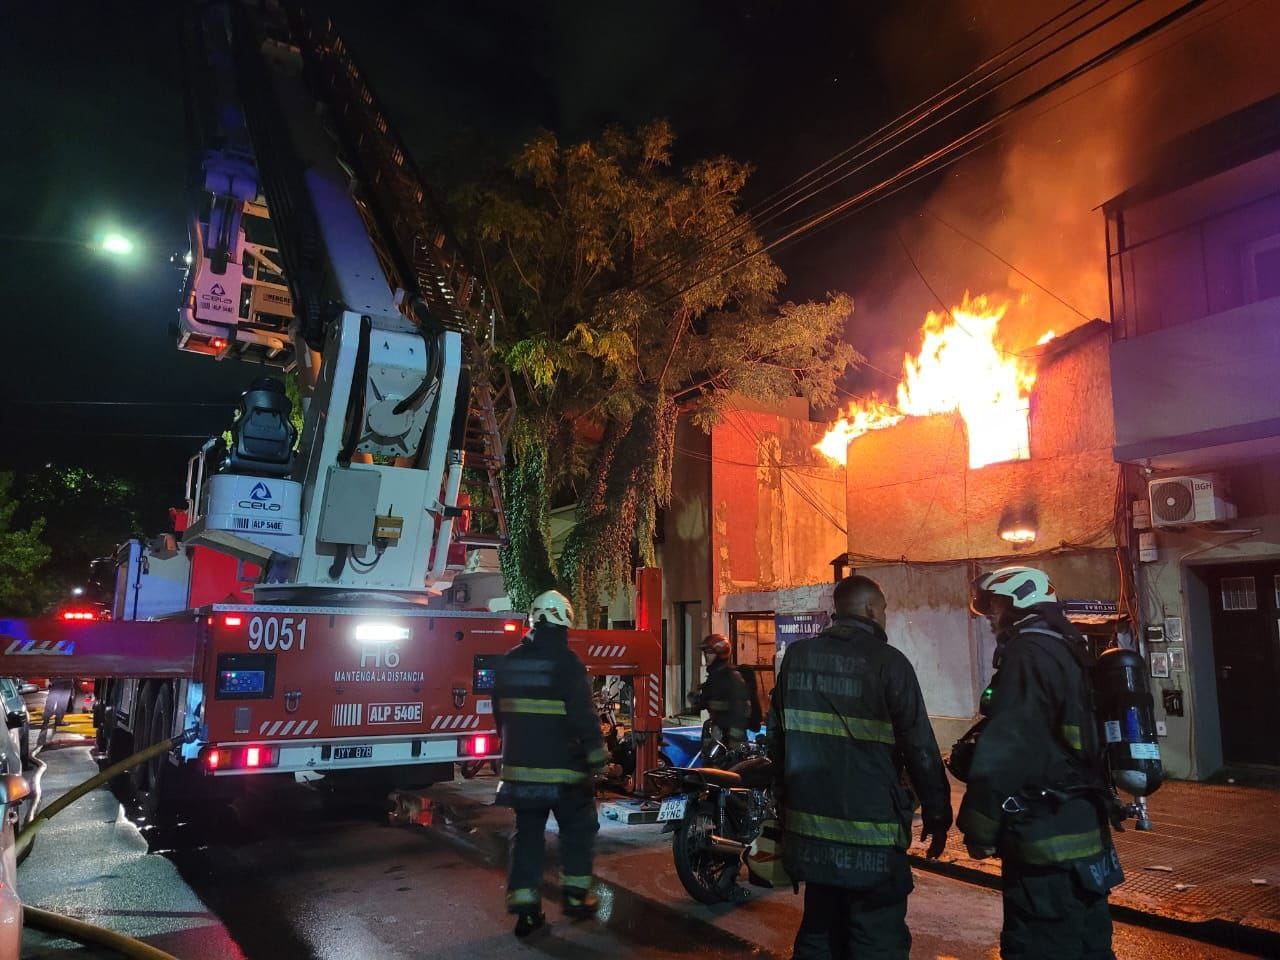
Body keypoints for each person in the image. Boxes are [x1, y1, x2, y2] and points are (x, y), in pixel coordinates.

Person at [768, 575, 952, 960]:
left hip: (811, 836)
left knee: (819, 932)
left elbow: (777, 741)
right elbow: (920, 747)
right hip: (872, 840)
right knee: (876, 940)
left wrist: (785, 803)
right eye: (883, 609)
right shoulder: (890, 663)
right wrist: (938, 812)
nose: (885, 616)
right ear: (870, 609)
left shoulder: (797, 658)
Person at [959, 566, 1122, 960]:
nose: (991, 619)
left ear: (1018, 602)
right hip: (1085, 830)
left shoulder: (1028, 652)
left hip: (1045, 840)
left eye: (995, 607)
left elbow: (1009, 745)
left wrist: (979, 826)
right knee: (1089, 947)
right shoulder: (1067, 644)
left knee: (1037, 947)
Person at [493, 590, 608, 937]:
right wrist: (597, 756)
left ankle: (526, 910)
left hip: (520, 770)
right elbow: (583, 717)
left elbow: (501, 715)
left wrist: (513, 749)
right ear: (565, 621)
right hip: (564, 773)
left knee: (527, 836)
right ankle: (574, 898)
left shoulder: (510, 661)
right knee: (578, 830)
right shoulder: (567, 663)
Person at [687, 633, 749, 765]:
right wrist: (696, 700)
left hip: (730, 743)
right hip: (717, 736)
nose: (706, 656)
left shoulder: (731, 678)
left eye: (709, 653)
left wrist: (733, 742)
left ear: (720, 654)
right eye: (706, 653)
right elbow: (706, 701)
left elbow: (741, 711)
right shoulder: (714, 677)